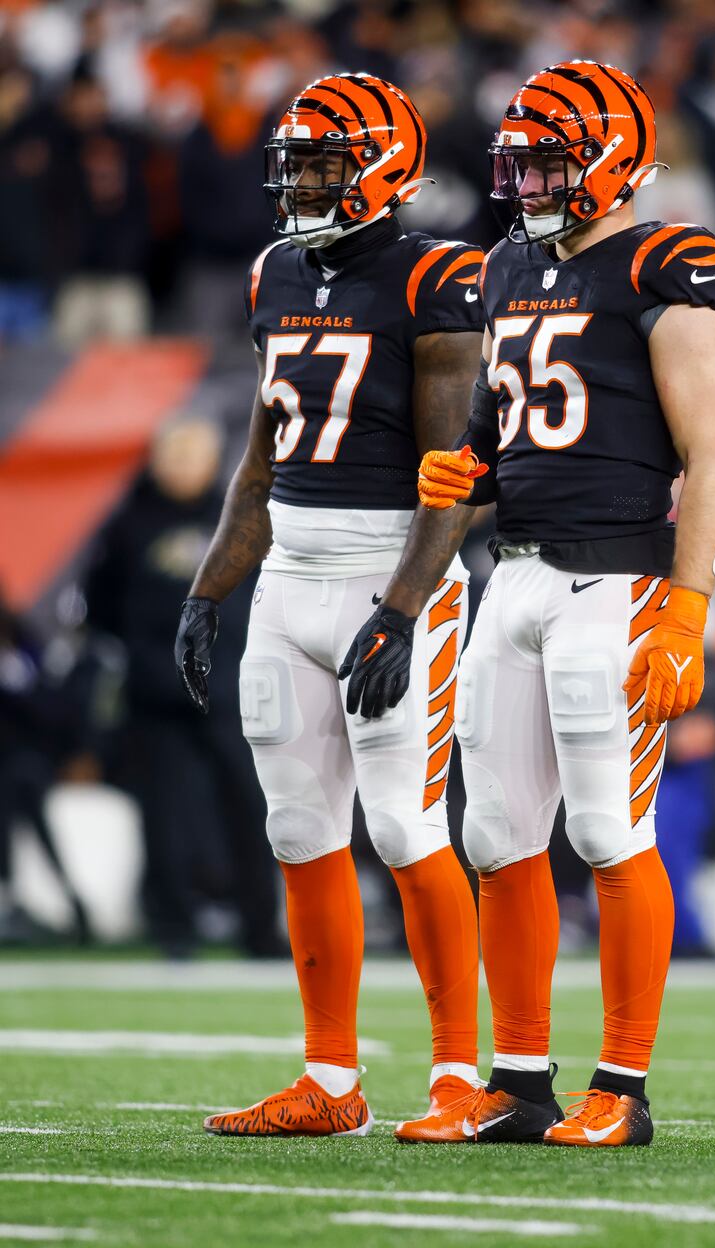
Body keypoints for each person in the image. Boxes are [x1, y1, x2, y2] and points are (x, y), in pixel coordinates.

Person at [341, 60, 715, 1147]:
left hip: (615, 577)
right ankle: (519, 1082)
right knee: (497, 832)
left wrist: (690, 608)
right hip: (508, 573)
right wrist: (464, 468)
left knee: (610, 829)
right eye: (519, 160)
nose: (526, 181)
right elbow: (505, 415)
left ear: (613, 161)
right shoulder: (510, 259)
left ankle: (625, 1088)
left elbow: (713, 458)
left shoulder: (668, 262)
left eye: (550, 160)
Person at [172, 73, 485, 1140]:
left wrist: (404, 605)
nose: (300, 180)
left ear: (383, 170)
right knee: (300, 828)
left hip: (391, 565)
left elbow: (454, 466)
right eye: (296, 160)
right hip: (291, 573)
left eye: (322, 163)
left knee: (403, 822)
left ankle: (455, 1078)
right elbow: (260, 460)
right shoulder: (273, 273)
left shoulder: (436, 277)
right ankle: (331, 1081)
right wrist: (212, 587)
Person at [84, 418, 274, 958]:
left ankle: (260, 930)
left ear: (218, 461)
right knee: (165, 815)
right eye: (177, 455)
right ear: (157, 460)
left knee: (252, 811)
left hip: (233, 691)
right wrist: (147, 663)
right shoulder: (126, 524)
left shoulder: (245, 517)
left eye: (197, 455)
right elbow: (99, 609)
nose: (186, 466)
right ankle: (174, 930)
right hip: (156, 698)